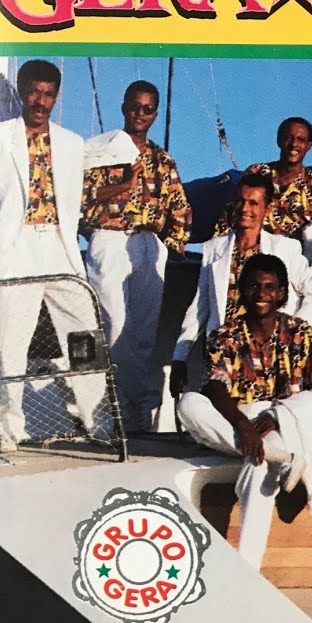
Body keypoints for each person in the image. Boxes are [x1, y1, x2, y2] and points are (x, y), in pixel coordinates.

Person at [176, 254, 312, 569]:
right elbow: (216, 386)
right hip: (235, 420)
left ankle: (246, 568)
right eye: (253, 286)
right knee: (188, 403)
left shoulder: (301, 333)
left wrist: (279, 415)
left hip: (282, 423)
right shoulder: (226, 334)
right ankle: (282, 459)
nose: (261, 294)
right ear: (241, 290)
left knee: (258, 467)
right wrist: (243, 426)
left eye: (269, 287)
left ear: (281, 293)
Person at [0, 59, 106, 452]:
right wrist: (1, 248)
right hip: (16, 246)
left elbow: (74, 200)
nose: (41, 101)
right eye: (34, 92)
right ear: (22, 92)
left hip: (59, 246)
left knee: (84, 331)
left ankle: (96, 418)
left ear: (56, 96)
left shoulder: (71, 143)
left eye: (49, 94)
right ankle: (7, 429)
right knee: (8, 340)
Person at [80, 80, 192, 432]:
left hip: (148, 243)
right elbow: (79, 196)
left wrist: (177, 239)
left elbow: (179, 205)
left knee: (143, 332)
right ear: (123, 106)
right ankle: (113, 405)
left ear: (155, 114)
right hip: (109, 237)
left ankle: (136, 412)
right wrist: (122, 186)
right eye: (134, 106)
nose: (139, 114)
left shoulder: (163, 160)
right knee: (112, 325)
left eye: (147, 109)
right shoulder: (99, 151)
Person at [169, 174, 312, 400]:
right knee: (214, 411)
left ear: (267, 208)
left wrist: (293, 331)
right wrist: (179, 357)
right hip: (225, 354)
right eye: (241, 201)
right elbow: (200, 306)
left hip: (271, 356)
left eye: (254, 203)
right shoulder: (214, 248)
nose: (245, 209)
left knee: (269, 415)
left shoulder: (285, 248)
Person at [210, 117, 312, 265]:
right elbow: (233, 211)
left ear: (309, 145)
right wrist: (217, 251)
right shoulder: (258, 172)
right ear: (279, 140)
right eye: (288, 138)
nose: (294, 144)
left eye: (300, 140)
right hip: (248, 260)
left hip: (289, 266)